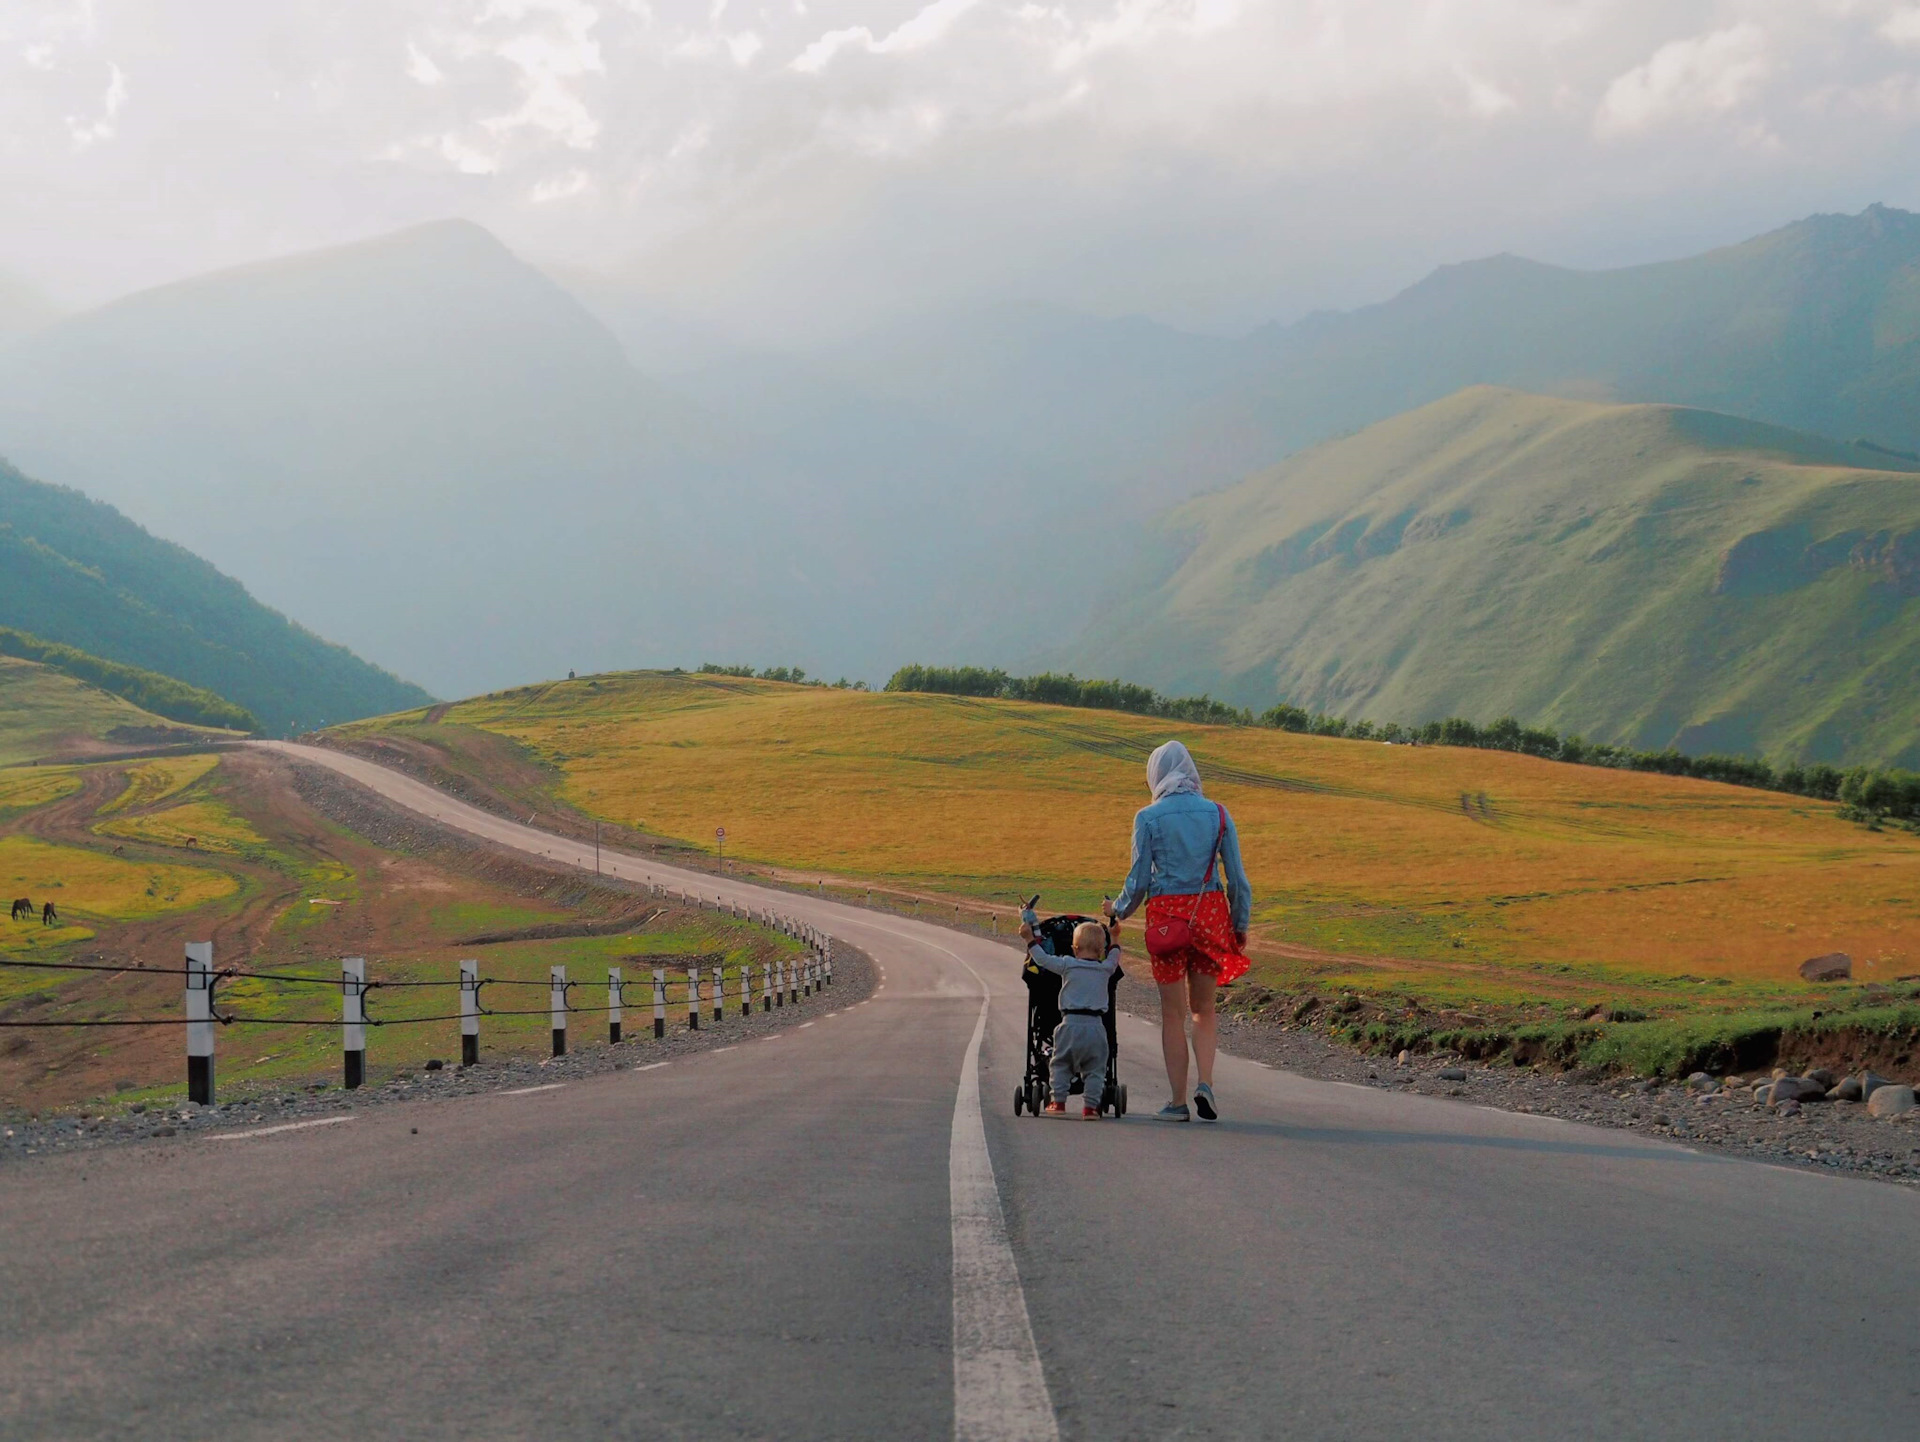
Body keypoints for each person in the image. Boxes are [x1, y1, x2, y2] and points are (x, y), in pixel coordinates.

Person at [1104, 740, 1251, 1123]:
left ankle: (1177, 1102)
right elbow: (1237, 881)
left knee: (1173, 1014)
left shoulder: (1148, 817)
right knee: (1204, 1010)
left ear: (1156, 775)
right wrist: (1239, 925)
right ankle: (1206, 1083)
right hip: (1211, 917)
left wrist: (1116, 911)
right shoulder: (1218, 814)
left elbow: (1138, 882)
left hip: (1168, 920)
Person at [1020, 908, 1122, 1118]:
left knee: (1060, 1063)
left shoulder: (1067, 965)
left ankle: (1058, 1101)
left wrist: (1029, 939)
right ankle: (1091, 1107)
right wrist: (1115, 936)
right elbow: (1115, 955)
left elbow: (1042, 960)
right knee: (1095, 1069)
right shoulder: (1105, 968)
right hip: (1096, 1028)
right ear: (1101, 950)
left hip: (1070, 1025)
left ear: (1074, 949)